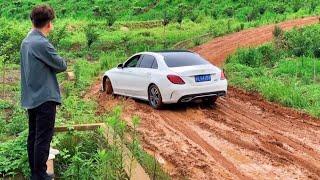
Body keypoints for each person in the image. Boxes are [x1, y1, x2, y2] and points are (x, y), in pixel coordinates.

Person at [20, 5, 67, 180]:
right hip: (45, 97)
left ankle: (35, 172)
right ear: (48, 24)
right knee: (43, 138)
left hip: (32, 97)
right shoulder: (41, 43)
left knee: (33, 136)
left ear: (33, 21)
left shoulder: (26, 41)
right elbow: (61, 64)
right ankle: (40, 174)